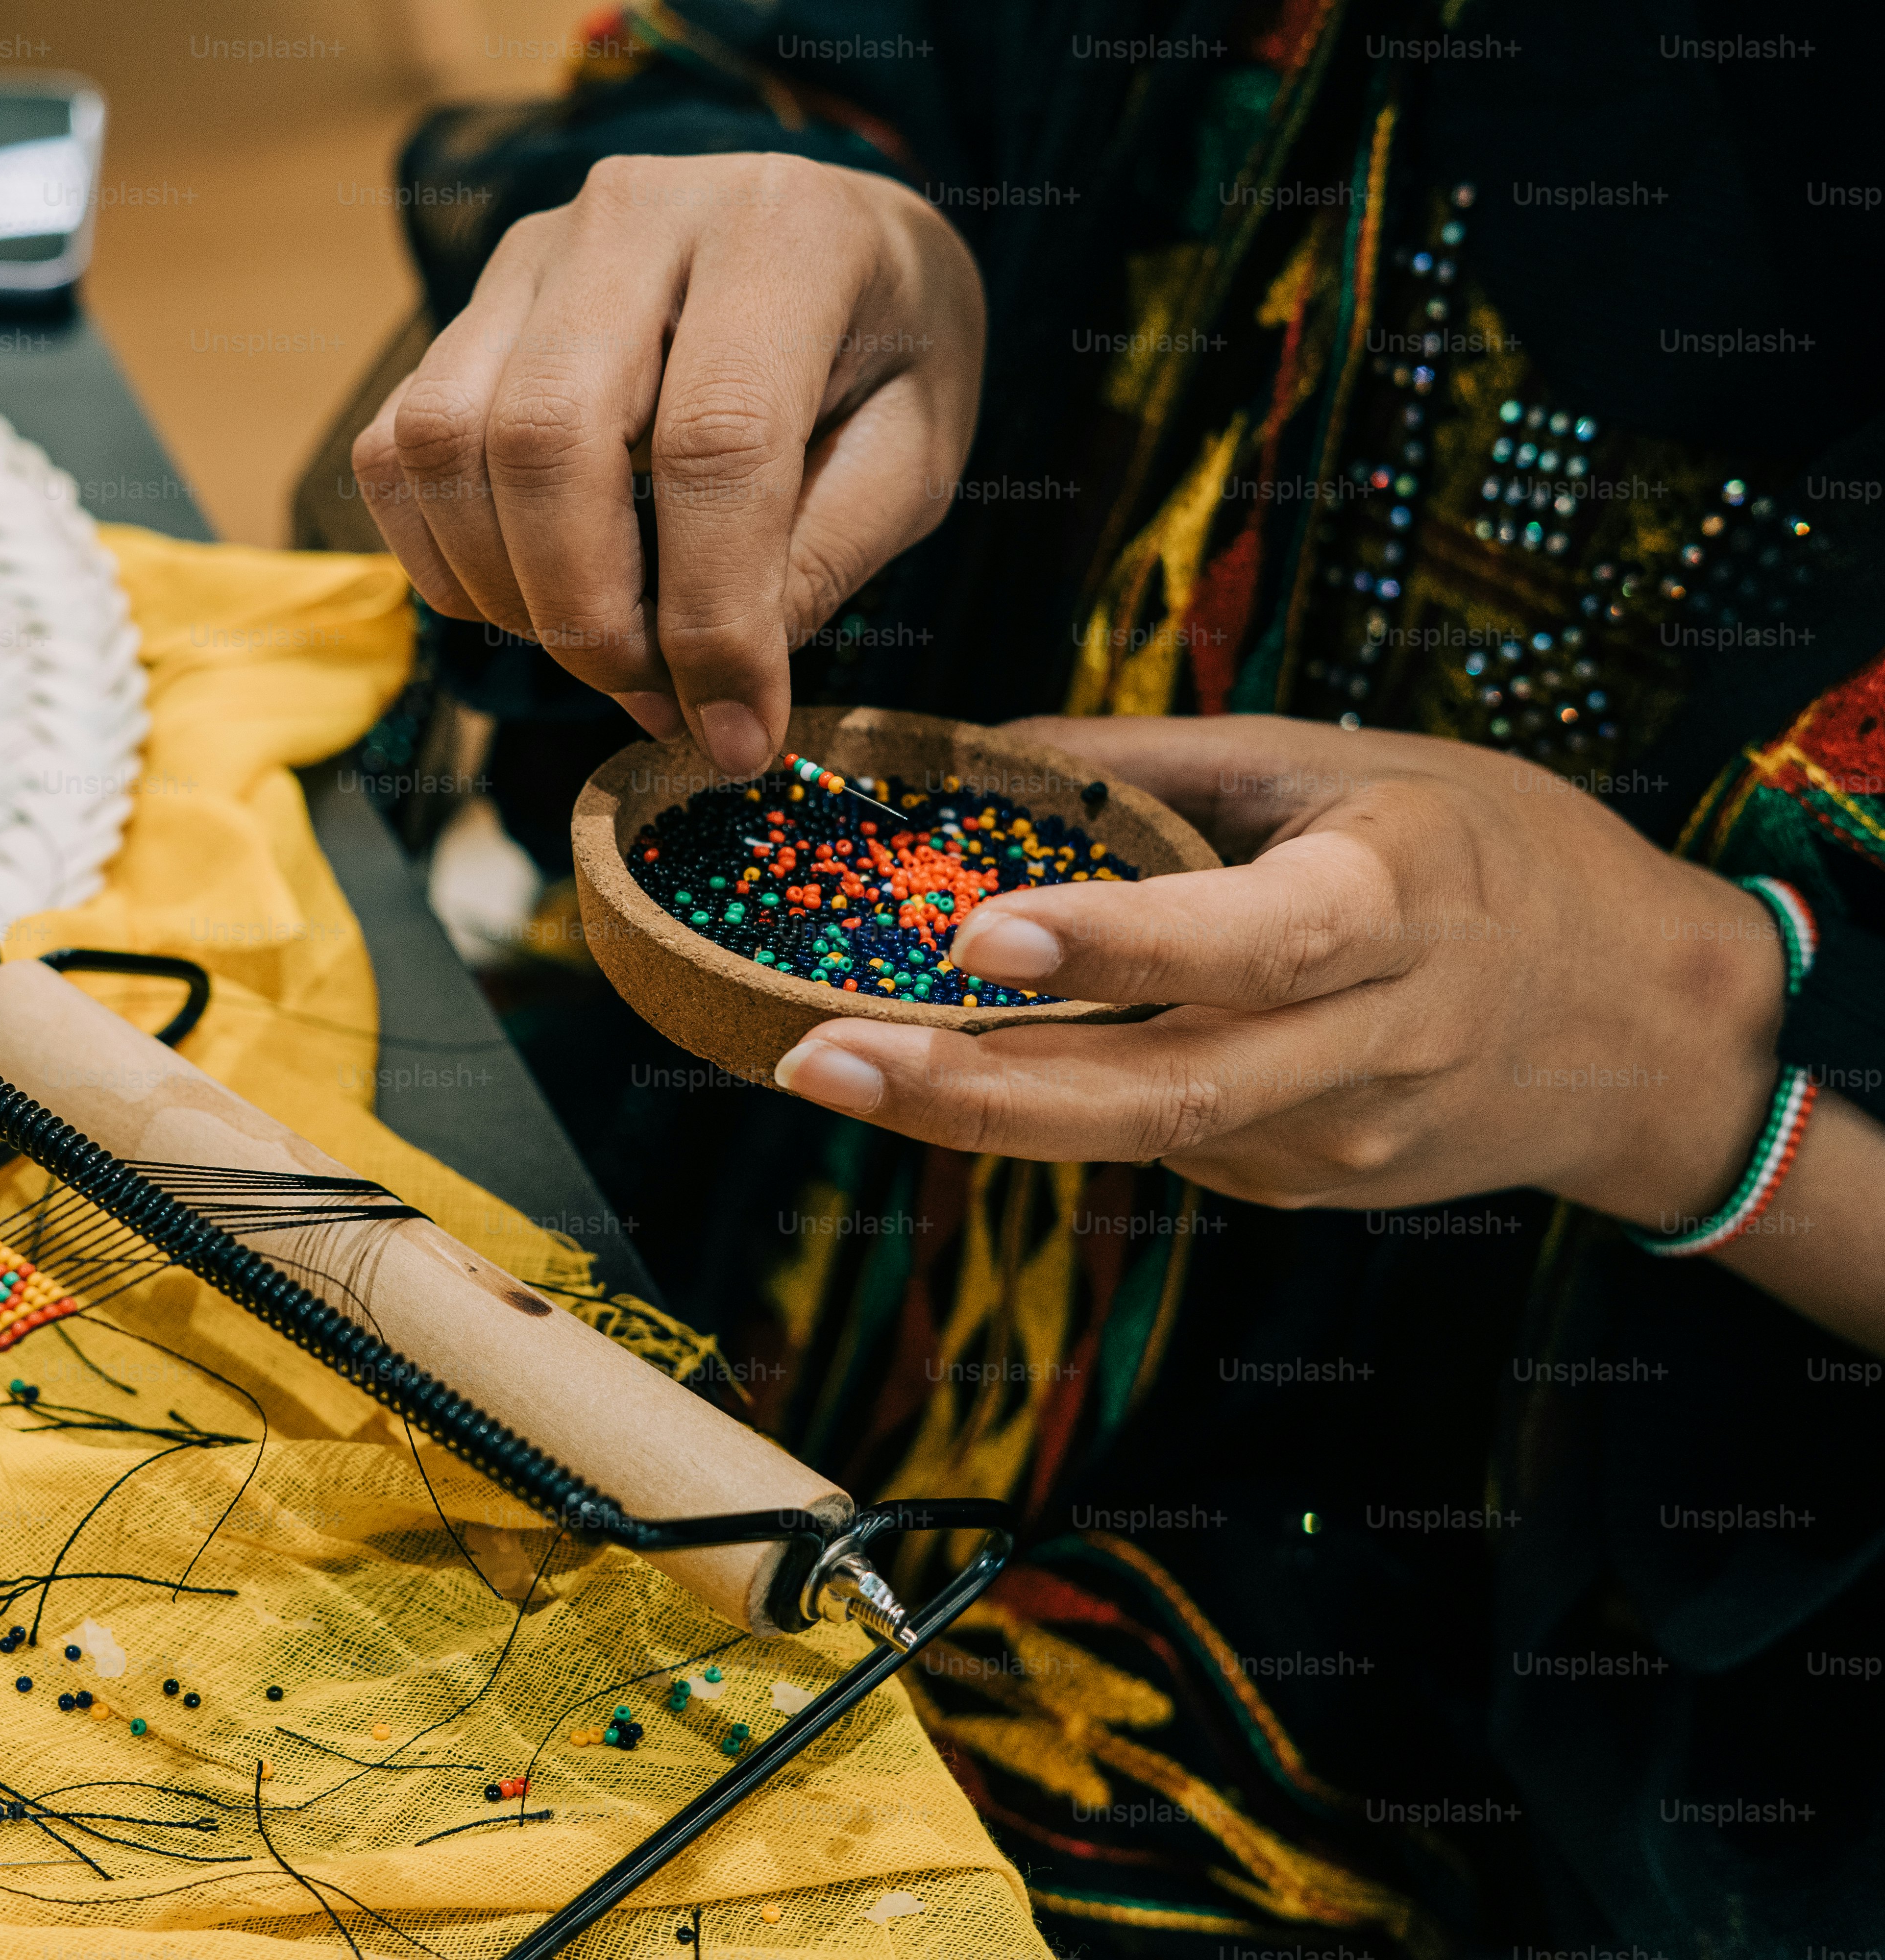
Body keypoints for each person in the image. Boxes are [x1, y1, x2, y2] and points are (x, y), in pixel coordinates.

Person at [346, 3, 1885, 1951]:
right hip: (771, 1218)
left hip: (1502, 1628)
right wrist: (838, 231)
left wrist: (1689, 1058)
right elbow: (853, 58)